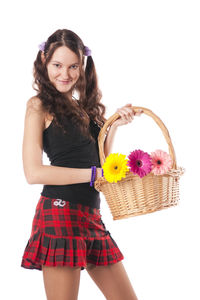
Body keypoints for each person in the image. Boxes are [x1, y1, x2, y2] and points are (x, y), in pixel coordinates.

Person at [21, 28, 143, 300]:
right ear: (44, 61)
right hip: (59, 215)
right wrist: (92, 174)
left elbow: (101, 165)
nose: (65, 74)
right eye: (57, 65)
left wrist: (114, 126)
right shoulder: (38, 105)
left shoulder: (83, 108)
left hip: (91, 217)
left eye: (73, 66)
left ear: (82, 66)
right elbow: (33, 172)